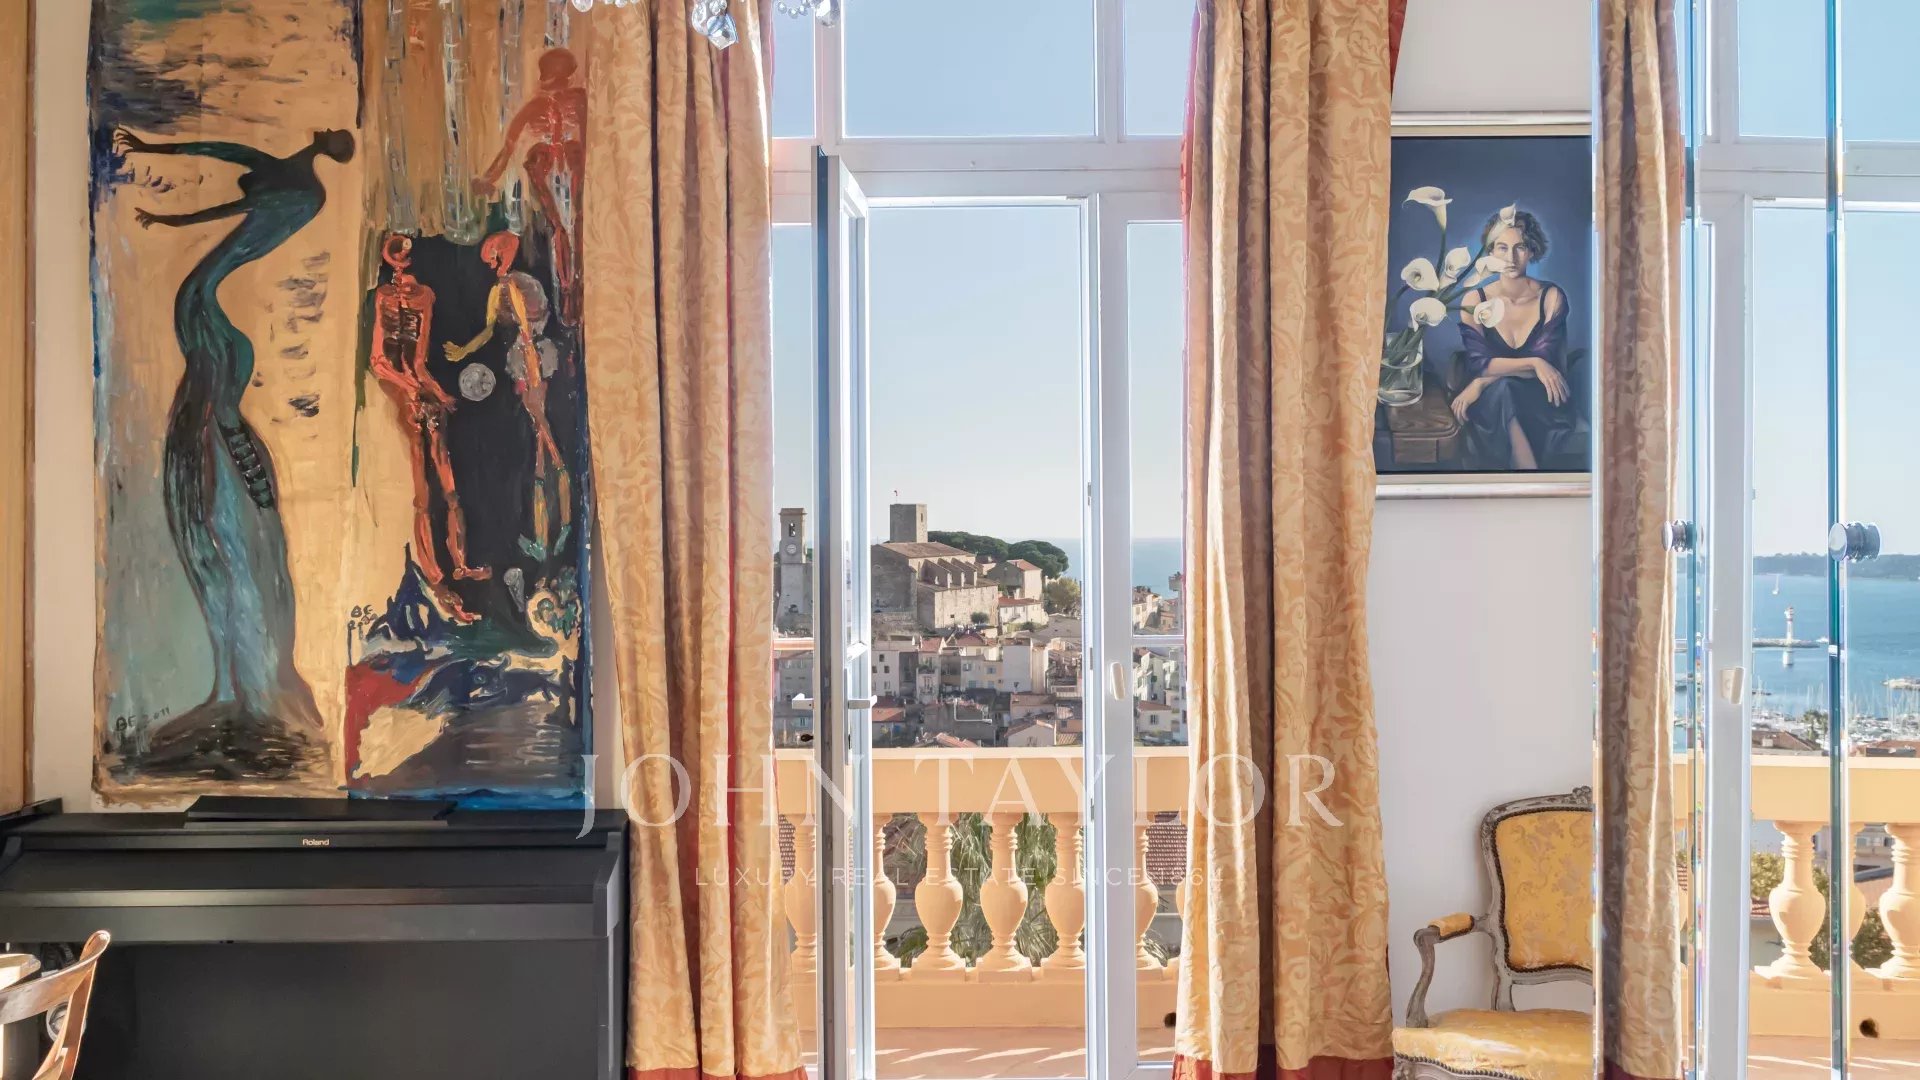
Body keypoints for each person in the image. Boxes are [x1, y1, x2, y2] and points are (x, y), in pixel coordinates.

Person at [113, 126, 356, 776]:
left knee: (232, 553)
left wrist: (170, 215)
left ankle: (242, 690)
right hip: (217, 431)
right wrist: (150, 150)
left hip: (218, 435)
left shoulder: (292, 193)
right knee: (220, 556)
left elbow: (232, 205)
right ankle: (229, 687)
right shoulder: (288, 177)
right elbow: (220, 157)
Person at [370, 234, 489, 624]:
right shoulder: (383, 299)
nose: (401, 271)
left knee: (449, 485)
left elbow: (419, 361)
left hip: (417, 388)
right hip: (400, 391)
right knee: (423, 492)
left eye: (406, 262)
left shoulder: (424, 298)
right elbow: (380, 361)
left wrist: (437, 393)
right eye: (397, 261)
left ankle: (461, 562)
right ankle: (438, 580)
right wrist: (411, 392)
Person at [445, 231, 572, 559]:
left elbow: (524, 332)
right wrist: (464, 351)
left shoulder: (513, 286)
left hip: (531, 361)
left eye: (493, 257)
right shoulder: (512, 286)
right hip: (532, 360)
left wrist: (530, 373)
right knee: (543, 447)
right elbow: (495, 329)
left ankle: (553, 532)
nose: (492, 264)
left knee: (546, 446)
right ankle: (555, 531)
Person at [1452, 207, 1577, 470]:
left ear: (1531, 251)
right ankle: (1530, 477)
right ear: (1490, 252)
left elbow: (1548, 366)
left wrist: (1482, 383)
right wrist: (1534, 363)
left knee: (1506, 389)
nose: (1510, 258)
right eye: (1502, 248)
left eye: (1520, 247)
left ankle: (1525, 479)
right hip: (1491, 404)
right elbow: (1480, 364)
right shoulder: (1474, 300)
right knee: (1505, 391)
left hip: (1543, 398)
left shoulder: (1551, 297)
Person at [477, 48, 586, 327]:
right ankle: (567, 296)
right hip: (551, 173)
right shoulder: (539, 107)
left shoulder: (577, 101)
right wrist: (489, 179)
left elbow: (508, 149)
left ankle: (571, 297)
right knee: (562, 229)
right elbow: (508, 148)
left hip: (573, 170)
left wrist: (489, 179)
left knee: (571, 227)